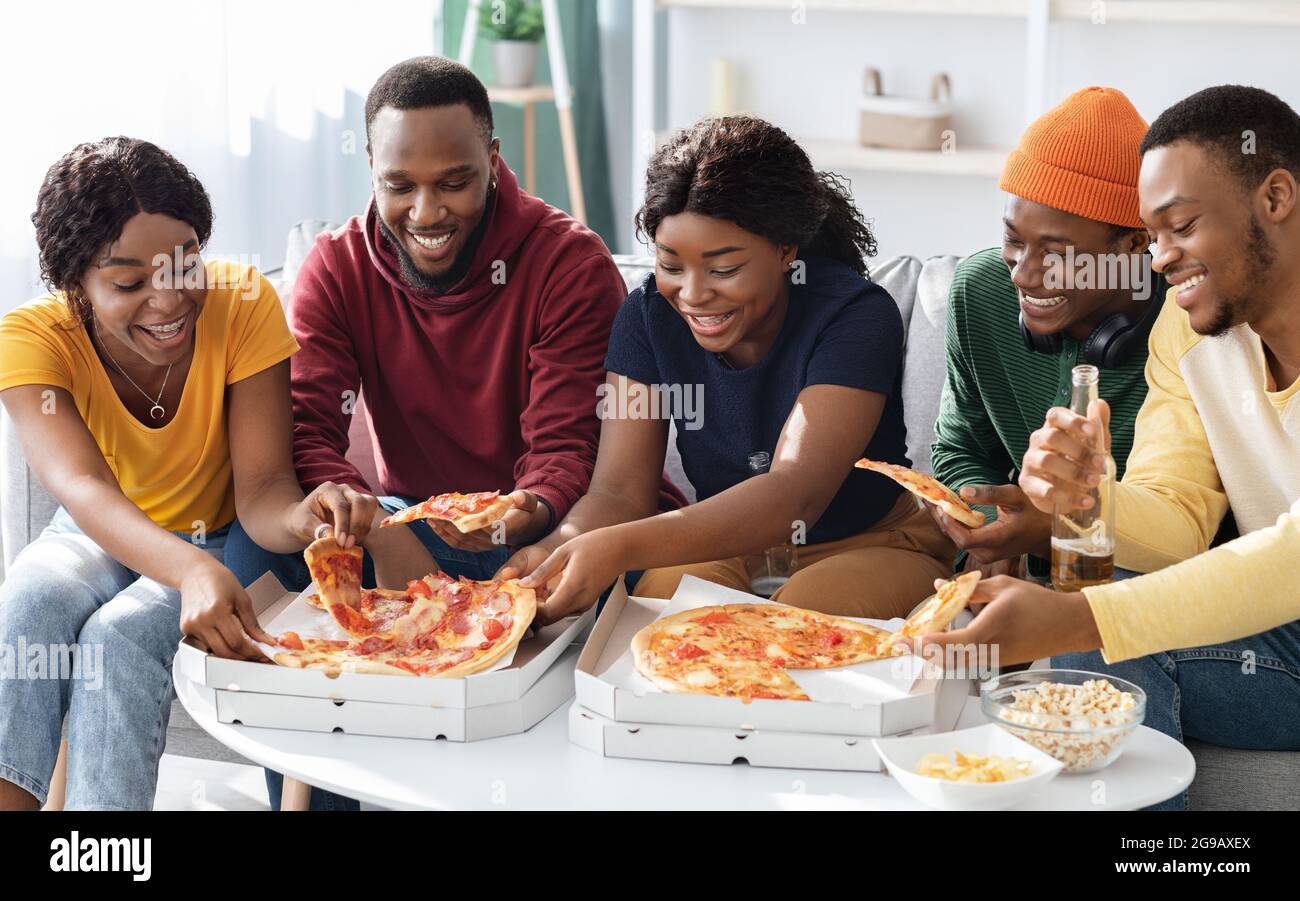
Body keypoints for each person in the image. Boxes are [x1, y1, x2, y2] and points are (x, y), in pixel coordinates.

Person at [221, 56, 666, 810]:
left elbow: (566, 454)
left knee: (588, 586)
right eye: (400, 186)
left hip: (562, 530)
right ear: (370, 168)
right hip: (404, 515)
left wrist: (517, 527)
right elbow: (309, 431)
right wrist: (364, 517)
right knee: (253, 548)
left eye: (453, 181)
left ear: (493, 163)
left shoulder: (567, 263)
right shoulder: (334, 266)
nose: (426, 212)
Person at [921, 86, 1300, 810]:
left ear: (1275, 195)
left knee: (1090, 621)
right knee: (1099, 600)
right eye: (1152, 235)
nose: (1159, 261)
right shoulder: (1189, 333)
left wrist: (1070, 618)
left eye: (1180, 227)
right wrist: (1091, 500)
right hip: (1280, 643)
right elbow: (1180, 514)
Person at [0, 137, 370, 810]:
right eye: (129, 282)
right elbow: (83, 488)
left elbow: (262, 490)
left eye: (183, 266)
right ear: (73, 284)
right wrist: (187, 572)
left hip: (217, 538)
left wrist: (301, 517)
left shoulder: (244, 303)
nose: (167, 301)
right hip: (94, 527)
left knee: (119, 640)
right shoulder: (31, 337)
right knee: (30, 600)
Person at [498, 115, 955, 624]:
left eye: (723, 269)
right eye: (672, 265)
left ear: (786, 251)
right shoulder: (646, 317)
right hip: (729, 546)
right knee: (661, 614)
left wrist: (620, 547)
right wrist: (555, 550)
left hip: (873, 543)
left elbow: (793, 494)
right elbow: (618, 492)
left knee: (795, 628)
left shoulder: (854, 314)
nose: (692, 295)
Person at [931, 87, 1167, 580]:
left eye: (1057, 254)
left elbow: (1196, 523)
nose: (1023, 273)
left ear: (1133, 244)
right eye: (1014, 240)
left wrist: (1057, 525)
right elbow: (961, 450)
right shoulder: (979, 291)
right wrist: (995, 521)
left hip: (1143, 588)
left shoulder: (1191, 321)